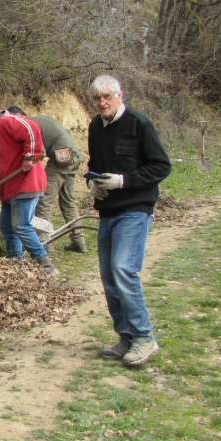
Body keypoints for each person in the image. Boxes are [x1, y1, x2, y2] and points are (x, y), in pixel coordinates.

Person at [87, 75, 171, 367]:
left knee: (123, 269)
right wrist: (93, 183)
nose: (102, 103)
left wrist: (123, 181)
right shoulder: (95, 126)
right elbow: (93, 167)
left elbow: (161, 166)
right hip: (108, 211)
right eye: (97, 98)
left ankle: (145, 338)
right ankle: (126, 337)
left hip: (135, 208)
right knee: (109, 277)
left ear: (120, 95)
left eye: (107, 96)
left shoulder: (139, 124)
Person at [0, 94, 59, 278]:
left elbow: (32, 128)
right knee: (7, 226)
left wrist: (30, 156)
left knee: (20, 224)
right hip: (8, 188)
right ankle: (15, 262)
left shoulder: (6, 121)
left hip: (26, 182)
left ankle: (46, 266)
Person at [6, 106, 87, 253]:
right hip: (73, 156)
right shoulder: (41, 119)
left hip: (61, 160)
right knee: (68, 202)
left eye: (13, 119)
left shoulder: (31, 125)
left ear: (19, 115)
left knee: (43, 200)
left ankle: (45, 245)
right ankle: (79, 242)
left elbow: (39, 153)